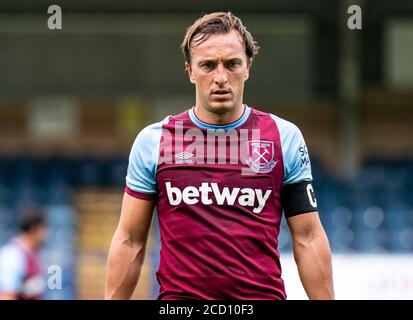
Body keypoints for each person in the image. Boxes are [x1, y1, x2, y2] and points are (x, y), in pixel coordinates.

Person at [105, 11, 334, 300]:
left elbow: (308, 238)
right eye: (208, 65)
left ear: (248, 66)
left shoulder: (283, 137)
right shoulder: (154, 141)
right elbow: (130, 241)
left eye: (232, 64)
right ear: (190, 71)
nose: (221, 78)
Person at [0, 206, 48, 300]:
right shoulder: (12, 256)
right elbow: (6, 296)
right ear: (36, 229)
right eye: (44, 229)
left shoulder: (34, 254)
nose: (47, 234)